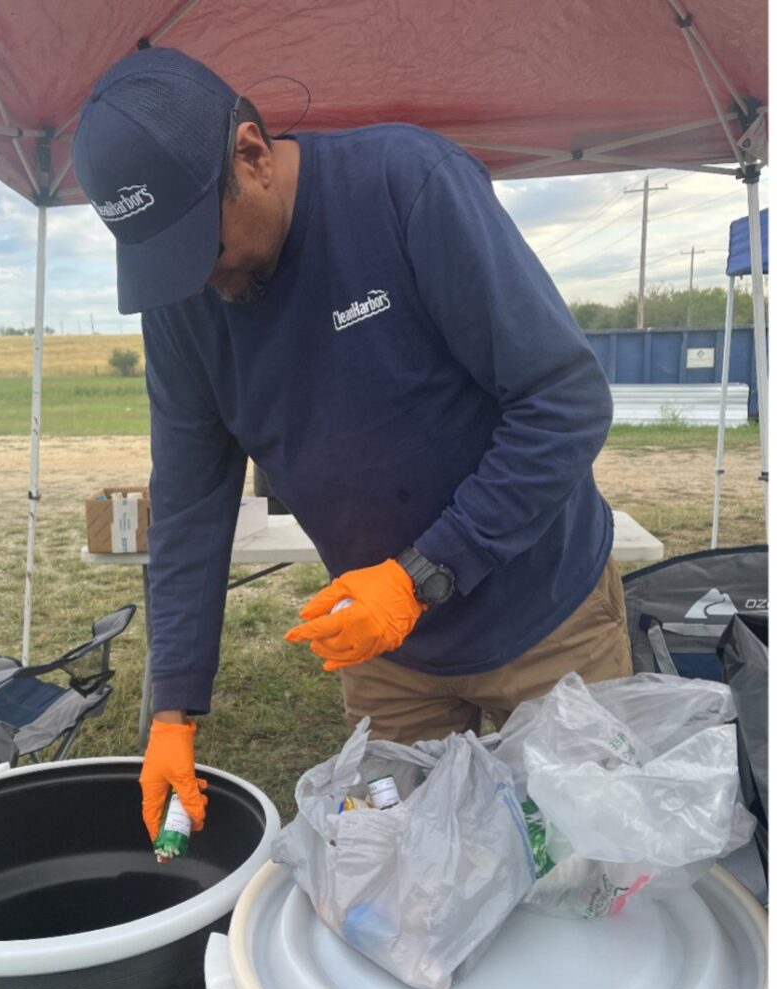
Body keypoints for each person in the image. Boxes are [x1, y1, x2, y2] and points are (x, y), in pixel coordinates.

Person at [72, 45, 633, 845]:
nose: (199, 281)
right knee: (402, 873)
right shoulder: (185, 297)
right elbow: (193, 506)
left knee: (582, 863)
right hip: (390, 656)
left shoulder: (408, 185)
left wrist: (422, 574)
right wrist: (173, 708)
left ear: (252, 155)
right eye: (166, 261)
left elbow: (564, 403)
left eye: (203, 245)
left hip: (543, 618)